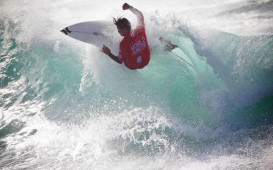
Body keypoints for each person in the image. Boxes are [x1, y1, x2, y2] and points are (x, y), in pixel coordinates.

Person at [101, 3, 150, 70]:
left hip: (133, 66)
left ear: (124, 29)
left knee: (125, 58)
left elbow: (119, 61)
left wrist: (109, 53)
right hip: (147, 60)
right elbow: (140, 15)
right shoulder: (140, 29)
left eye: (119, 29)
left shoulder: (123, 43)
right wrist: (129, 7)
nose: (118, 31)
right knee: (143, 44)